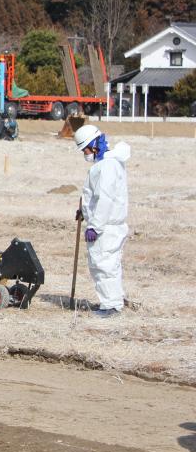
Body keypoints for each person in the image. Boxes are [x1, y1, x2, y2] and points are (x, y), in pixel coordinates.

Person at [73, 124, 131, 317]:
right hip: (110, 225)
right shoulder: (110, 164)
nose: (85, 154)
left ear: (95, 145)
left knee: (102, 265)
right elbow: (96, 198)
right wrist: (84, 211)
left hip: (105, 227)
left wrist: (95, 227)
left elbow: (105, 199)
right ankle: (116, 299)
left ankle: (111, 305)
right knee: (110, 264)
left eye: (85, 149)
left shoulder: (106, 166)